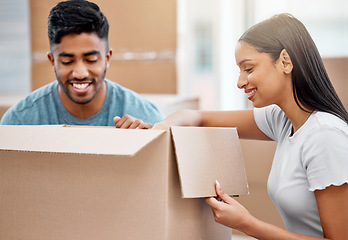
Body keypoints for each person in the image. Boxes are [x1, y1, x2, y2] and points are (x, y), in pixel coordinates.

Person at [153, 13, 348, 239]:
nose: (240, 82)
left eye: (248, 68)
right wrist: (158, 130)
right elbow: (195, 117)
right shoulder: (282, 120)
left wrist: (247, 224)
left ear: (285, 61)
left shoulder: (324, 135)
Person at [0, 0, 164, 128]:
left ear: (107, 58)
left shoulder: (144, 117)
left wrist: (145, 143)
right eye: (67, 61)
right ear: (52, 61)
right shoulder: (19, 121)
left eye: (91, 60)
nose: (80, 73)